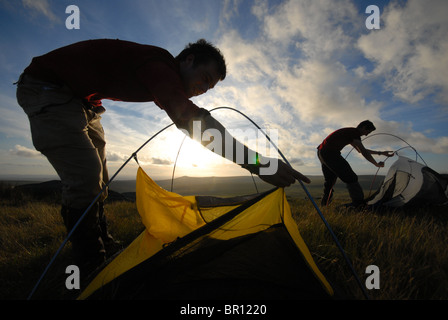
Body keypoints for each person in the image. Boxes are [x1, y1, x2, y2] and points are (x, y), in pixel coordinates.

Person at [16, 39, 310, 274]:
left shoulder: (160, 73)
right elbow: (192, 121)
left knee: (100, 180)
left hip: (82, 102)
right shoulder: (159, 67)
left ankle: (102, 245)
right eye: (204, 79)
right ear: (188, 59)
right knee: (85, 176)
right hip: (47, 89)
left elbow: (189, 115)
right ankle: (91, 265)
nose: (201, 90)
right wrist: (261, 165)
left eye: (208, 89)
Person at [317, 120, 394, 208]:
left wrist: (381, 153)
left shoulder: (350, 133)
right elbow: (364, 152)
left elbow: (360, 150)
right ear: (364, 127)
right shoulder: (354, 133)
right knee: (351, 177)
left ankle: (324, 204)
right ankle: (359, 204)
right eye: (368, 131)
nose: (366, 134)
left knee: (330, 180)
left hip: (322, 152)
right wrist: (376, 164)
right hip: (330, 153)